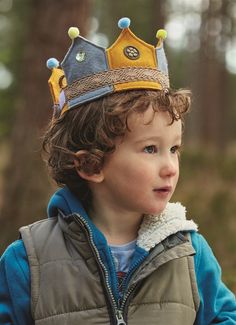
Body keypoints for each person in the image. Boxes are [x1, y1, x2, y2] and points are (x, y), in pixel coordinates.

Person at [0, 17, 235, 325]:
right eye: (151, 149)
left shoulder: (190, 253)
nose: (170, 167)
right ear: (90, 164)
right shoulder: (28, 261)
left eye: (174, 149)